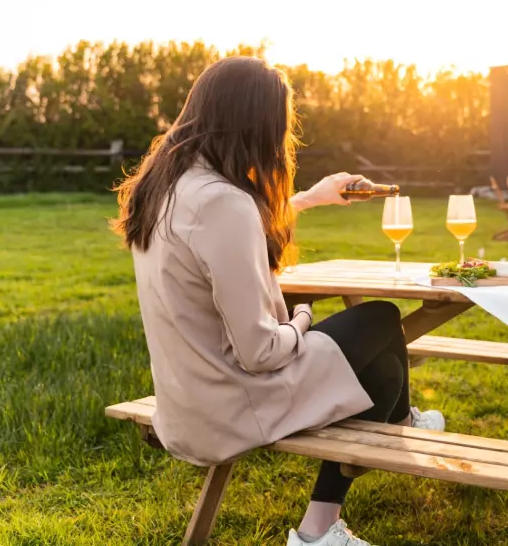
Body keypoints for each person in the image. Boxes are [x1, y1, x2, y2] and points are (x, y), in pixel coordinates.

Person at [113, 56, 444, 546]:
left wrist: (310, 196)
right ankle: (397, 420)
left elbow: (222, 237)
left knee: (384, 374)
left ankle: (321, 526)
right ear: (258, 125)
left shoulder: (166, 189)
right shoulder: (225, 201)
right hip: (233, 402)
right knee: (380, 319)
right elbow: (259, 351)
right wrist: (304, 318)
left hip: (188, 402)